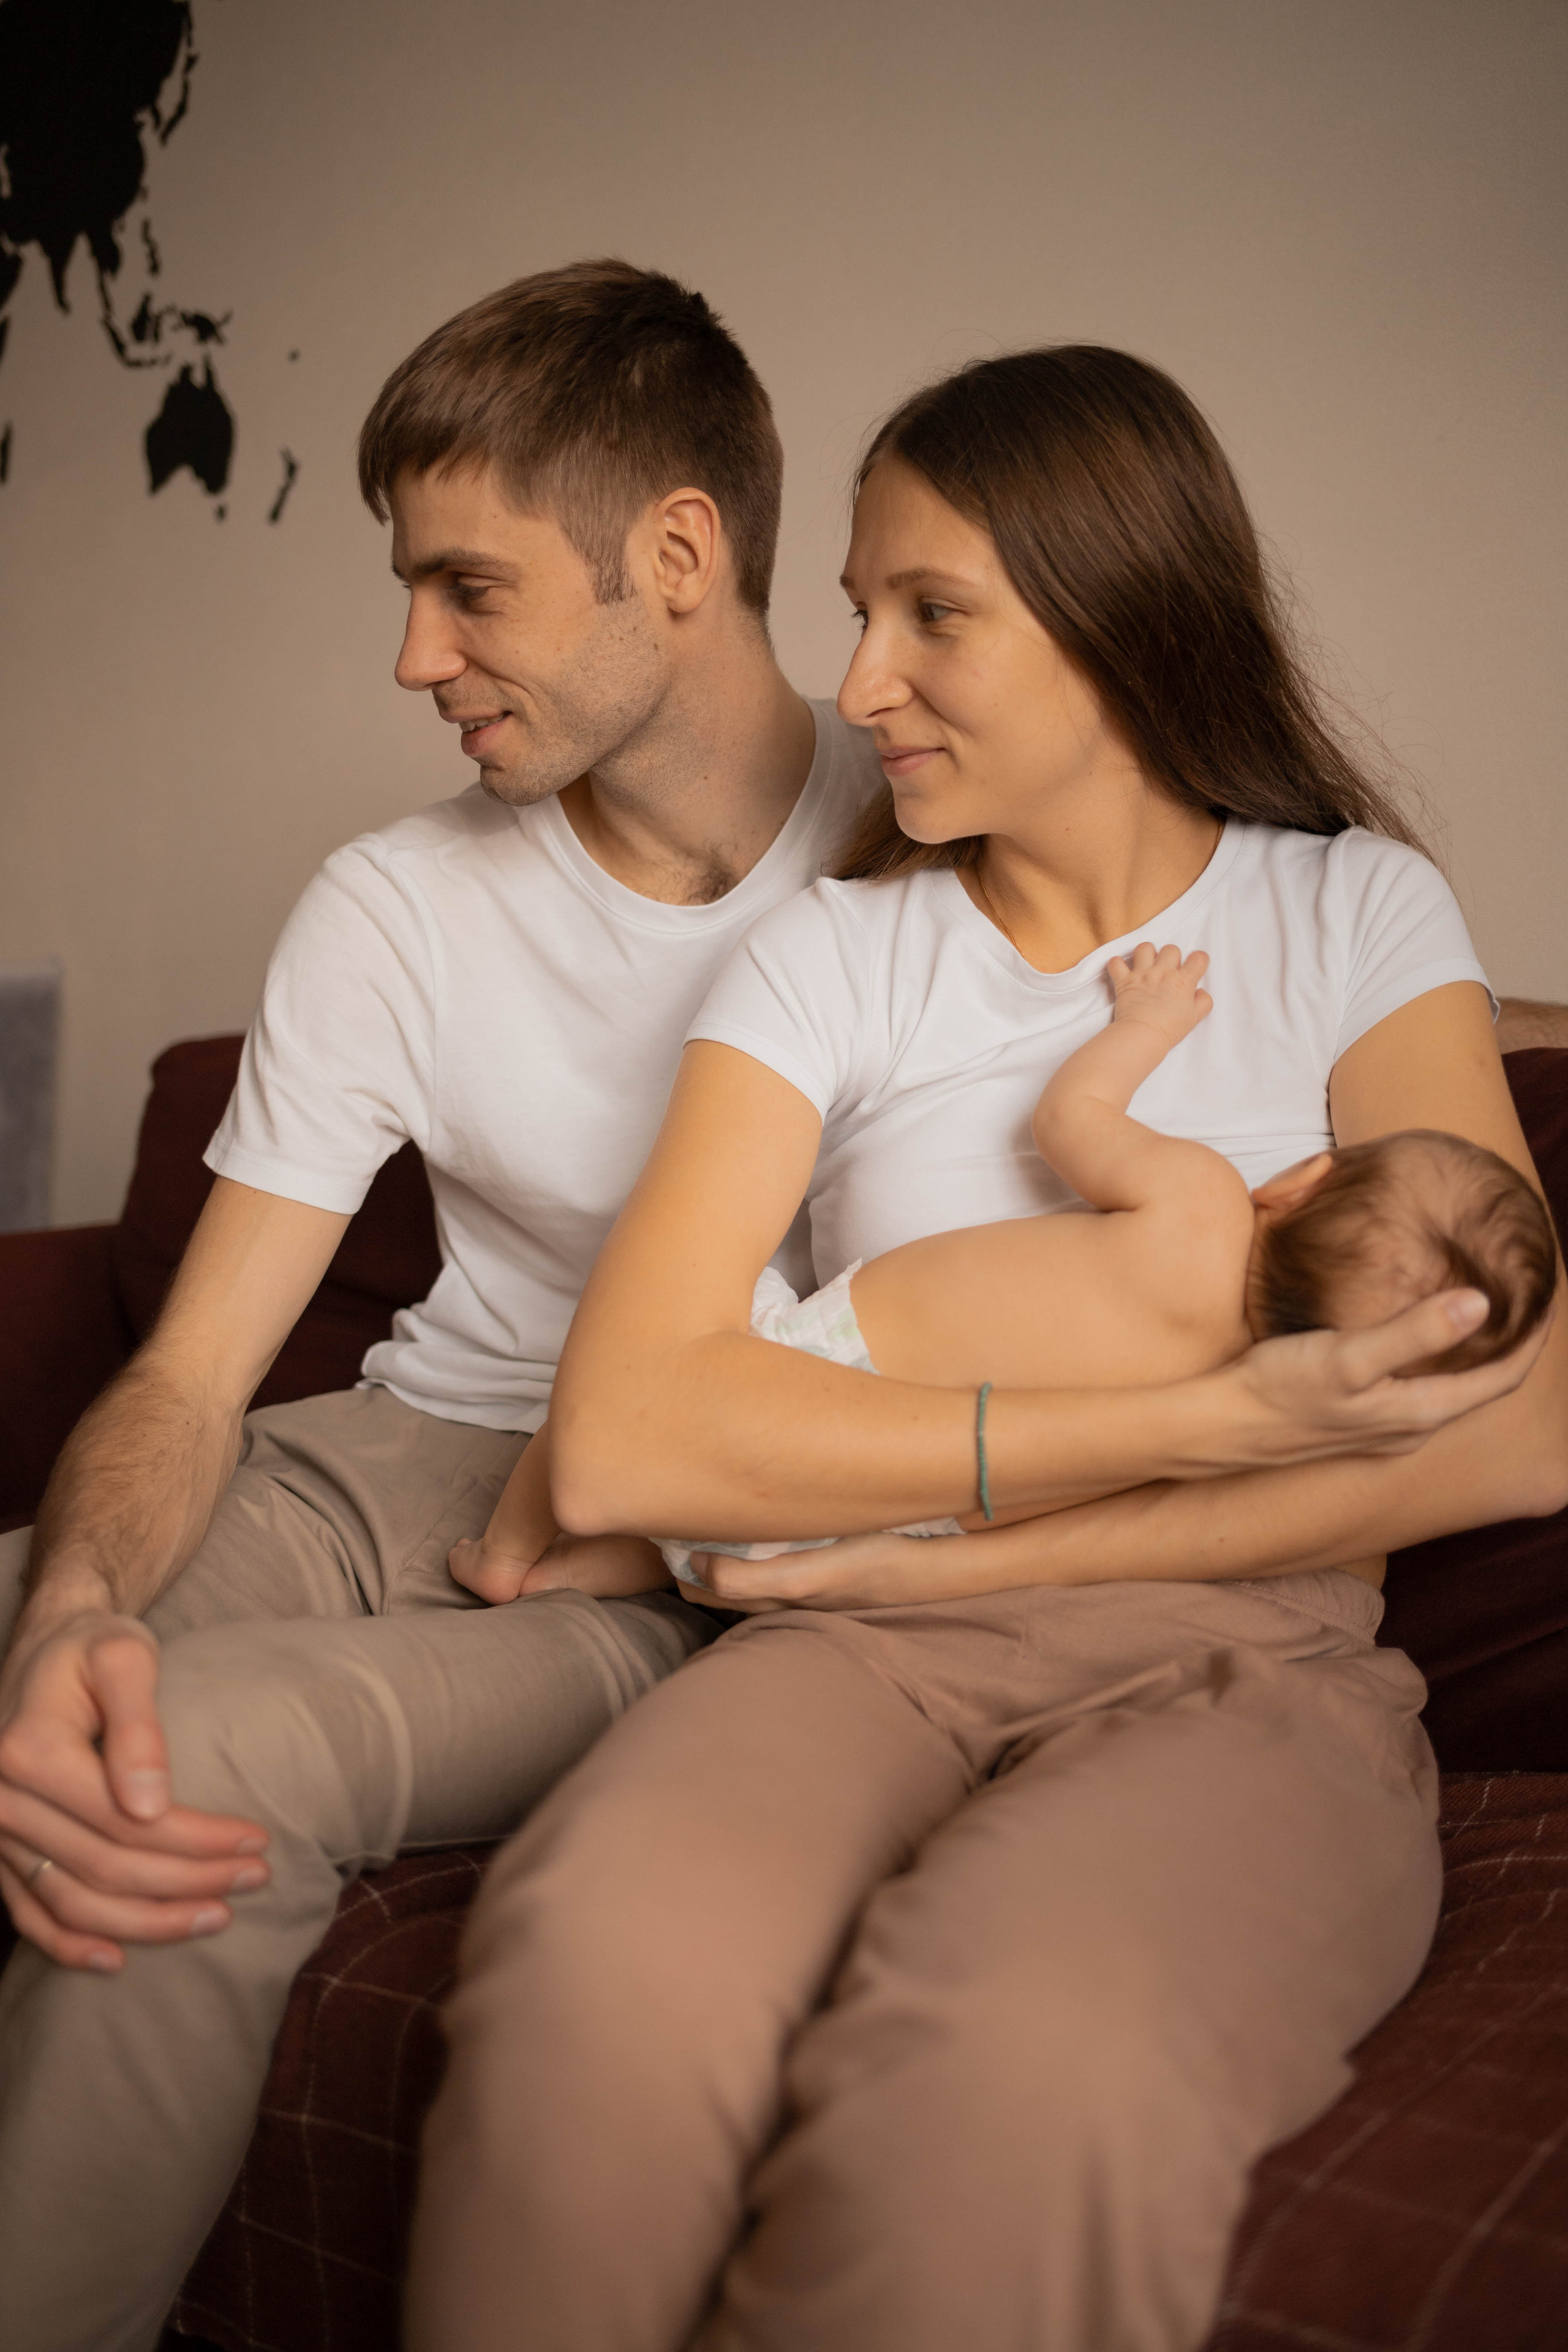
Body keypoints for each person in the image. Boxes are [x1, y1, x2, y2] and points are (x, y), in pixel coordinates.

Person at [403, 346, 1568, 2352]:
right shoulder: (837, 956)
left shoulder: (1357, 913)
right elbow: (619, 1440)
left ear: (1125, 615)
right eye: (860, 609)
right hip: (852, 1650)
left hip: (1251, 1659)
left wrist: (947, 1538)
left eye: (931, 613)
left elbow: (1516, 1427)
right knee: (598, 1959)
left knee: (1025, 2060)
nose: (858, 685)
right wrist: (1210, 1421)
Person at [0, 257, 889, 2352]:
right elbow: (196, 1371)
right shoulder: (393, 902)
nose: (413, 657)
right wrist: (73, 1610)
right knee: (48, 1667)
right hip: (406, 1451)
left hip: (702, 1553)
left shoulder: (937, 831)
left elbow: (1310, 989)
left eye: (467, 590)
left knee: (174, 1781)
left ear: (676, 557)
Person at [454, 939, 1556, 1597]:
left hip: (808, 1380)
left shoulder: (1205, 1206)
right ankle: (606, 1570)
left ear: (1302, 1184)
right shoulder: (1222, 1442)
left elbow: (1073, 1117)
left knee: (646, 1336)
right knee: (715, 1531)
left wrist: (1148, 1021)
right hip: (890, 1530)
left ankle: (511, 1547)